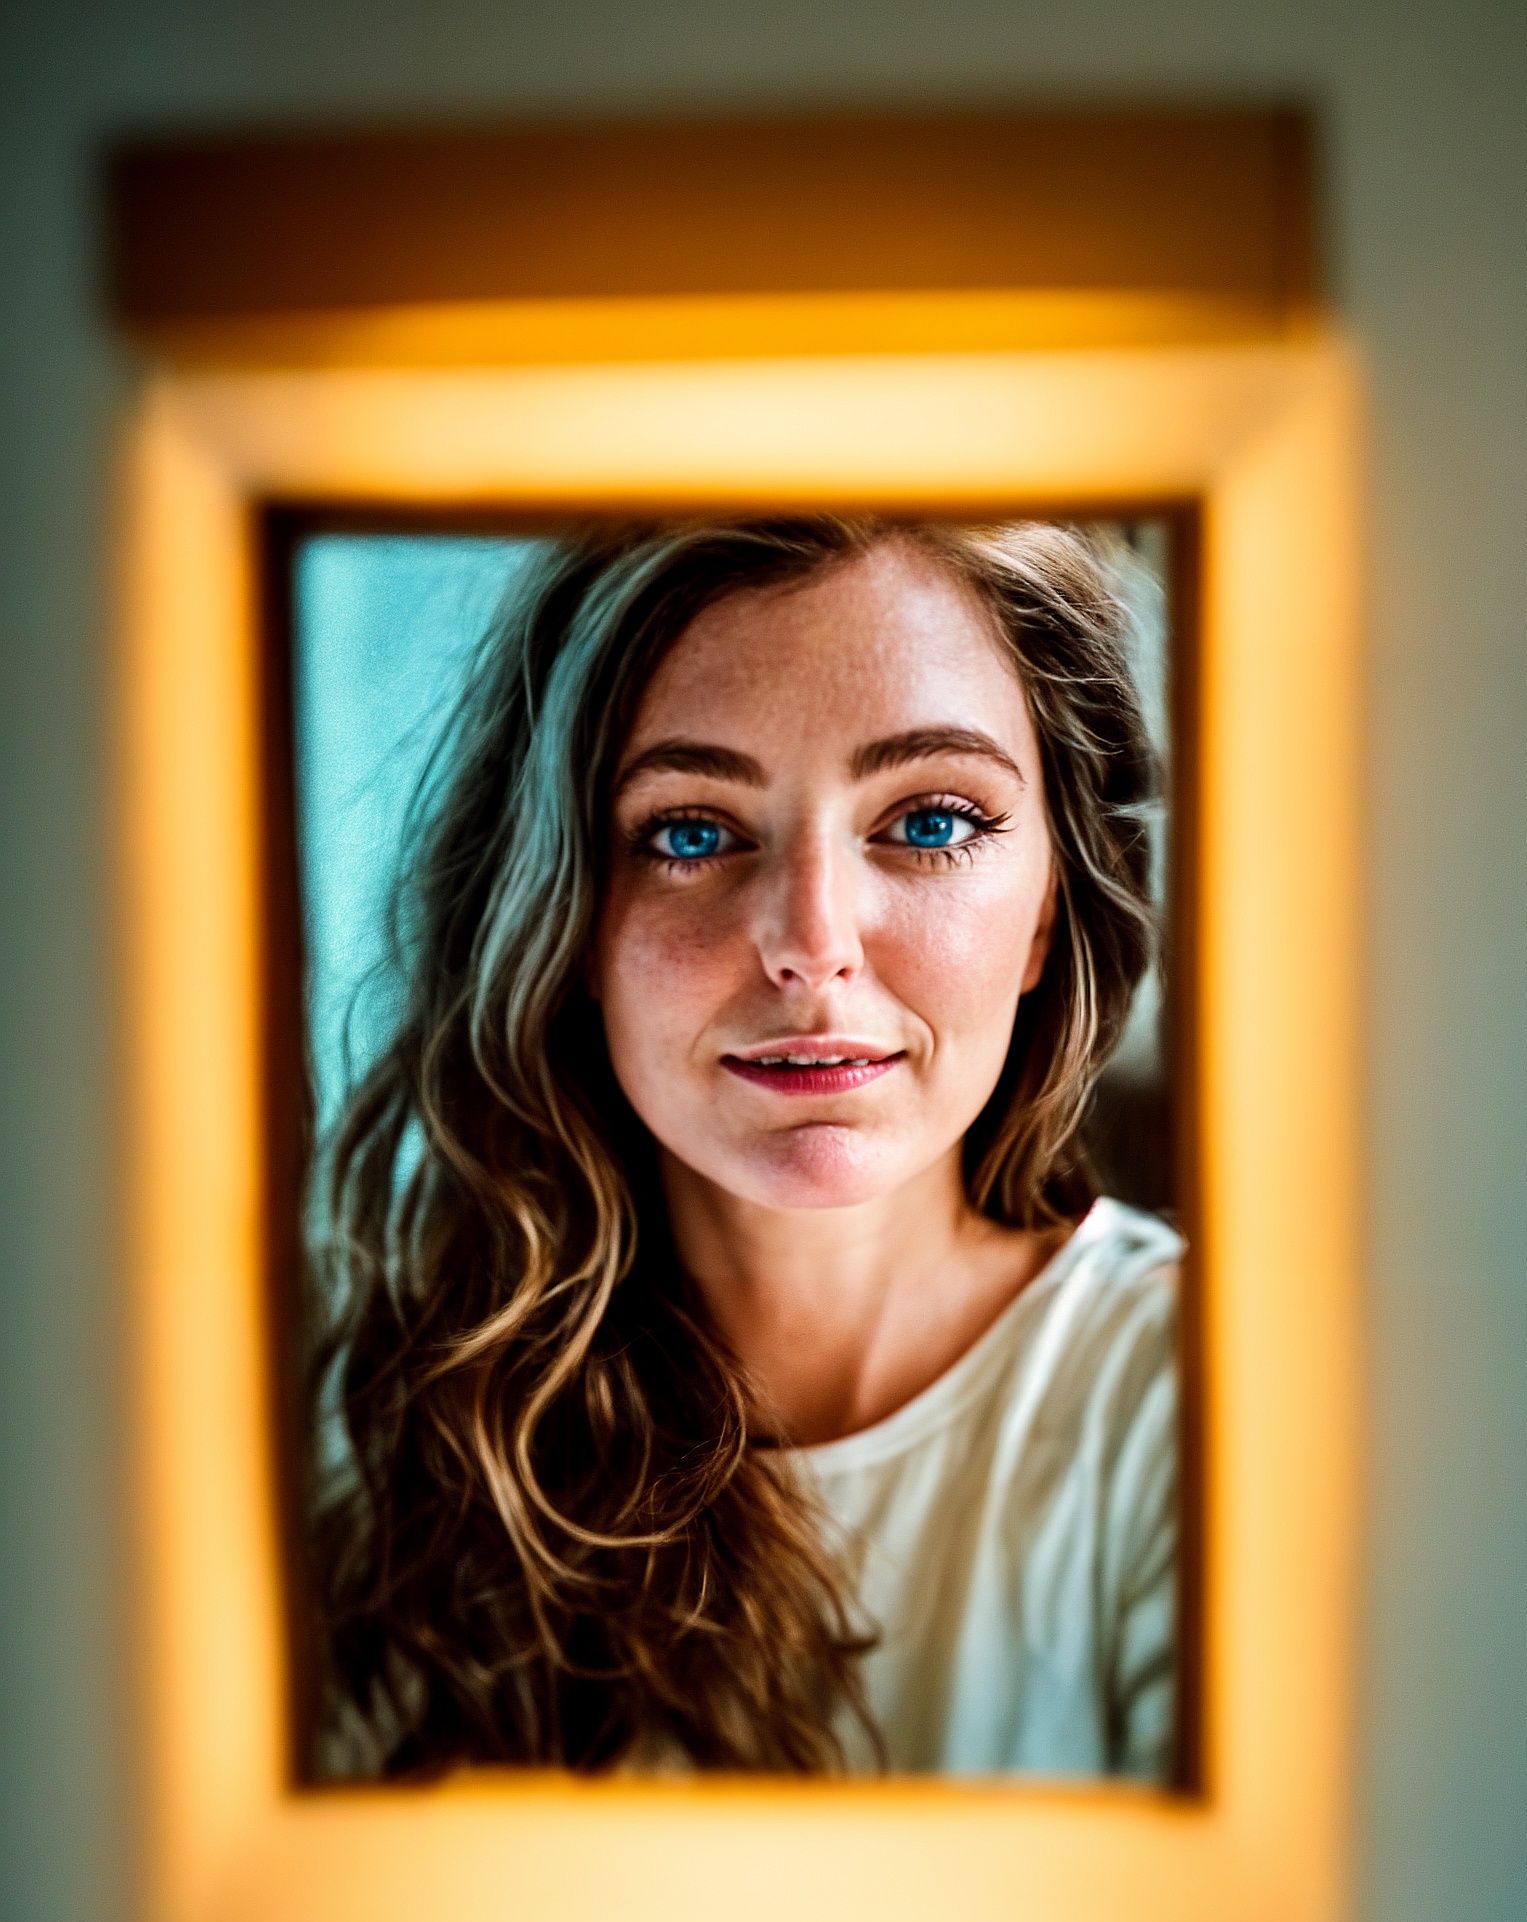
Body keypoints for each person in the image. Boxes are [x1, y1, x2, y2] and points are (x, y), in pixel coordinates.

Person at [311, 518, 1181, 1783]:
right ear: (565, 921)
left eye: (931, 822)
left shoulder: (1185, 1399)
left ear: (1051, 906)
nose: (810, 942)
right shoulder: (382, 1440)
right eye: (691, 832)